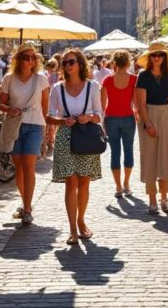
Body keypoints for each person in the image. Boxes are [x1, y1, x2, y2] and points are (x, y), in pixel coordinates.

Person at [47, 48, 104, 245]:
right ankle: (72, 228)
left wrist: (89, 117)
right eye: (64, 63)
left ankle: (81, 220)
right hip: (65, 137)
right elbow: (48, 116)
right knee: (71, 183)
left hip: (87, 136)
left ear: (80, 63)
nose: (67, 66)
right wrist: (63, 121)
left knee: (84, 182)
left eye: (71, 62)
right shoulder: (57, 88)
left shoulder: (93, 86)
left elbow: (99, 115)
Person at [0, 43, 50, 226]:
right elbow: (0, 103)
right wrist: (10, 109)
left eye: (33, 57)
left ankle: (27, 209)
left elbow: (45, 106)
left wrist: (47, 130)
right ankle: (25, 201)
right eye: (26, 57)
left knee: (29, 165)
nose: (31, 60)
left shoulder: (41, 79)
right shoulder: (9, 79)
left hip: (35, 124)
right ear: (18, 60)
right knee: (18, 167)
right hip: (15, 124)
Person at [135, 43, 168, 214]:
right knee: (150, 158)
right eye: (154, 55)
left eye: (160, 55)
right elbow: (140, 103)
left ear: (164, 57)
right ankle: (152, 199)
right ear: (149, 58)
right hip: (149, 114)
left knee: (165, 157)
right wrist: (148, 124)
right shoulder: (144, 76)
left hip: (167, 115)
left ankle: (165, 197)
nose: (157, 58)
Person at [101, 50, 138, 199]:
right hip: (129, 117)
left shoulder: (107, 80)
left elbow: (102, 104)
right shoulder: (134, 79)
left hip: (111, 118)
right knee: (129, 151)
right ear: (128, 63)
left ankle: (118, 187)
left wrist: (104, 118)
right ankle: (127, 184)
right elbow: (135, 102)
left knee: (115, 153)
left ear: (114, 63)